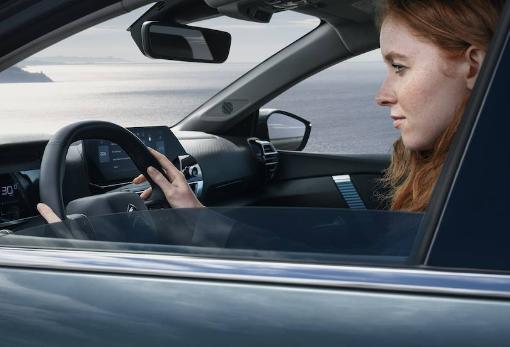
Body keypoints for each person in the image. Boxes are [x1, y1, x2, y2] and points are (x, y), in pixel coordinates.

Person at [37, 0, 506, 223]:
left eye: (399, 67)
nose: (381, 95)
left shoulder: (486, 195)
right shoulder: (462, 175)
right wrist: (193, 213)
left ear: (473, 64)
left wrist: (73, 251)